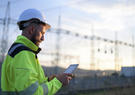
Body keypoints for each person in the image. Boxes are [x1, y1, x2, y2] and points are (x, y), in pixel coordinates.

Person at [1, 9, 73, 95]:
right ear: (31, 29)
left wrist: (50, 80)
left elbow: (35, 85)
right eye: (42, 33)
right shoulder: (23, 54)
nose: (43, 38)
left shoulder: (25, 52)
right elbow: (33, 93)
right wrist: (58, 82)